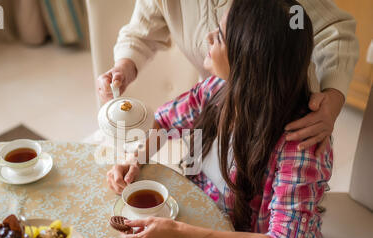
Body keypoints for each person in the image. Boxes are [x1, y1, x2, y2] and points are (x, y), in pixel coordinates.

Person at [107, 0, 332, 238]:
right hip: (207, 236)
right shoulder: (217, 88)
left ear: (250, 59)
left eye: (221, 36)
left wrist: (179, 234)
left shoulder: (300, 145)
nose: (209, 37)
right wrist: (134, 158)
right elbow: (164, 122)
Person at [97, 0, 358, 156]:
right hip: (225, 105)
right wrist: (124, 66)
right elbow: (142, 30)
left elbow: (330, 29)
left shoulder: (295, 149)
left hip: (280, 117)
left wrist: (331, 104)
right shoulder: (209, 93)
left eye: (220, 36)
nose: (210, 38)